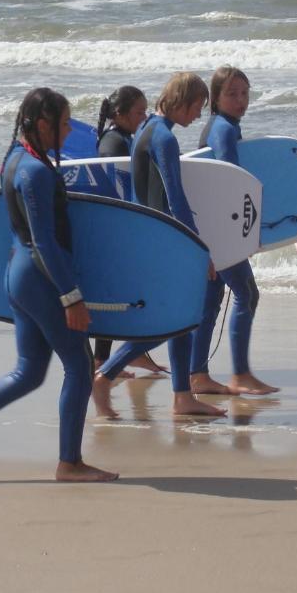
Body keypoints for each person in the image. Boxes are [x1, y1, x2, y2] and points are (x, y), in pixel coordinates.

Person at [0, 88, 118, 483]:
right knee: (80, 366)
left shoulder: (14, 160)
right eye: (64, 124)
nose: (69, 132)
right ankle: (70, 463)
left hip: (19, 272)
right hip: (41, 278)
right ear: (44, 124)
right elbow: (45, 241)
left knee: (29, 371)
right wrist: (71, 298)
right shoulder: (34, 172)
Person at [91, 73, 226, 420]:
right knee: (179, 318)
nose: (198, 115)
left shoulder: (144, 131)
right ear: (182, 101)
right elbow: (176, 199)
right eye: (197, 106)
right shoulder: (164, 138)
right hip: (164, 239)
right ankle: (105, 375)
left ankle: (182, 395)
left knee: (179, 317)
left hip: (148, 235)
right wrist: (199, 248)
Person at [189, 66, 277, 396]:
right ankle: (239, 374)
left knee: (212, 300)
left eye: (244, 93)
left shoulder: (219, 126)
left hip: (210, 229)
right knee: (247, 294)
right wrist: (245, 233)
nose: (241, 100)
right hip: (222, 231)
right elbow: (232, 183)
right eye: (232, 94)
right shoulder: (224, 130)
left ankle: (198, 374)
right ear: (215, 98)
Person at [92, 86, 167, 377]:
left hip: (119, 229)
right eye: (138, 112)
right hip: (115, 232)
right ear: (120, 114)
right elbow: (115, 186)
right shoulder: (113, 143)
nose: (143, 116)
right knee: (116, 298)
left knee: (128, 296)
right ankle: (101, 362)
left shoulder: (122, 138)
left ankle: (135, 355)